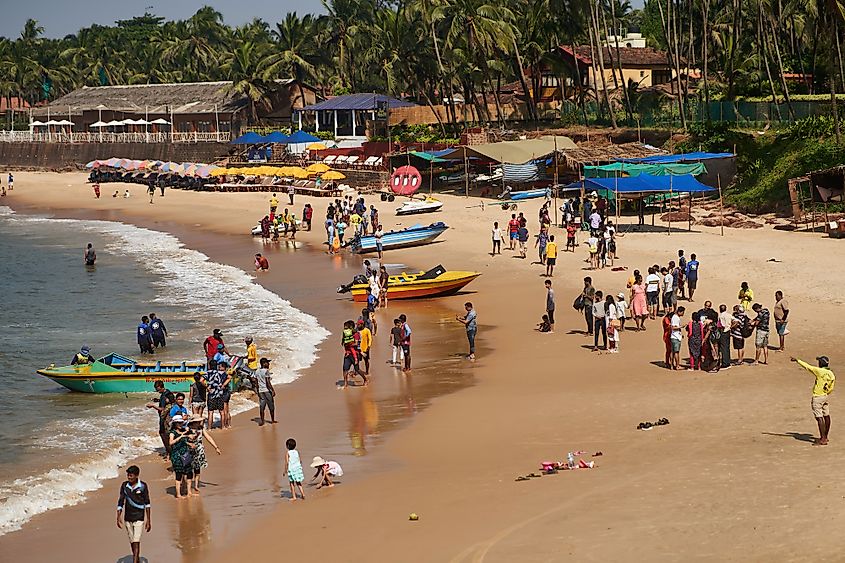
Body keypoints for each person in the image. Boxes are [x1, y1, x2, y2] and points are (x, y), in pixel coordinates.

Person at [791, 356, 835, 445]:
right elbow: (831, 387)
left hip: (817, 396)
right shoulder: (831, 373)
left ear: (821, 364)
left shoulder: (819, 371)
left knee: (819, 417)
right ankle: (825, 436)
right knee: (826, 415)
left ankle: (822, 439)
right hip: (825, 395)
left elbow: (807, 367)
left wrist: (797, 360)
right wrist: (827, 392)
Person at [116, 465, 151, 563]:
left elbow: (147, 503)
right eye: (128, 475)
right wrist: (118, 517)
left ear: (137, 475)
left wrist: (148, 520)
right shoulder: (124, 486)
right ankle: (137, 559)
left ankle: (135, 561)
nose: (129, 477)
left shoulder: (143, 486)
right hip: (128, 518)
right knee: (132, 542)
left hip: (139, 517)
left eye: (131, 475)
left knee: (136, 541)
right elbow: (120, 501)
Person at [185, 414, 220, 495]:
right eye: (197, 421)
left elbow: (208, 438)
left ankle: (196, 486)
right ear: (193, 422)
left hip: (199, 451)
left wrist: (216, 447)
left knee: (197, 470)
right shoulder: (188, 429)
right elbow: (184, 439)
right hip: (189, 451)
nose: (199, 423)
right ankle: (187, 487)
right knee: (188, 470)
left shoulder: (201, 428)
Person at [168, 415, 193, 498]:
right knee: (179, 474)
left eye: (181, 422)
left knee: (189, 473)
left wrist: (190, 444)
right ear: (175, 424)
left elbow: (184, 442)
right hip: (177, 455)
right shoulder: (172, 432)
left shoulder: (184, 431)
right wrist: (180, 437)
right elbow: (171, 443)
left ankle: (189, 492)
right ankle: (178, 494)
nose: (180, 424)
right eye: (178, 423)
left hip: (185, 454)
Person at [147, 380, 174, 454]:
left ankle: (169, 451)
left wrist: (152, 406)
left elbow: (162, 408)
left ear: (162, 387)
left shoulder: (165, 395)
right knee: (167, 434)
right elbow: (169, 402)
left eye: (158, 389)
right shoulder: (168, 393)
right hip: (170, 418)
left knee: (163, 434)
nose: (157, 391)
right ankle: (169, 450)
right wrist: (157, 400)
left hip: (165, 419)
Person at [205, 361, 230, 430]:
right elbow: (229, 377)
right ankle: (223, 427)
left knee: (210, 412)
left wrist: (207, 387)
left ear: (209, 366)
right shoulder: (220, 373)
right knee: (221, 411)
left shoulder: (208, 373)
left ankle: (209, 428)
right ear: (216, 366)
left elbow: (201, 380)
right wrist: (223, 385)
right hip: (219, 394)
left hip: (211, 395)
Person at [252, 357, 276, 425]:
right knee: (271, 406)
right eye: (267, 363)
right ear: (264, 363)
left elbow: (256, 382)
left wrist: (257, 391)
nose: (268, 364)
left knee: (262, 406)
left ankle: (262, 421)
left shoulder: (257, 371)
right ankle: (272, 420)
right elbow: (268, 382)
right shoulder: (266, 371)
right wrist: (272, 390)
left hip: (260, 391)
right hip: (266, 390)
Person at [718, 304, 732, 369]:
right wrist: (731, 327)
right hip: (728, 331)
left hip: (723, 332)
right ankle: (727, 362)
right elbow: (737, 321)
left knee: (723, 348)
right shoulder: (729, 315)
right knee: (727, 347)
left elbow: (720, 325)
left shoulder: (721, 316)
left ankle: (725, 363)